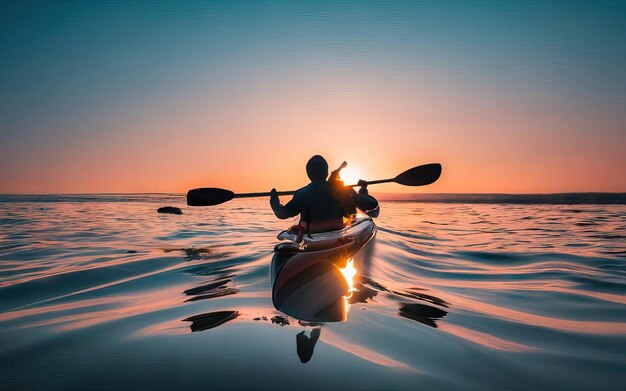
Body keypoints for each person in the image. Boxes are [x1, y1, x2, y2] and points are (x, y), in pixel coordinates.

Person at [270, 155, 376, 240]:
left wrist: (274, 201)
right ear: (326, 172)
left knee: (294, 229)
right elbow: (351, 213)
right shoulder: (339, 190)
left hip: (312, 239)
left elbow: (282, 213)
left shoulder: (301, 194)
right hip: (337, 235)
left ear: (308, 174)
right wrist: (362, 190)